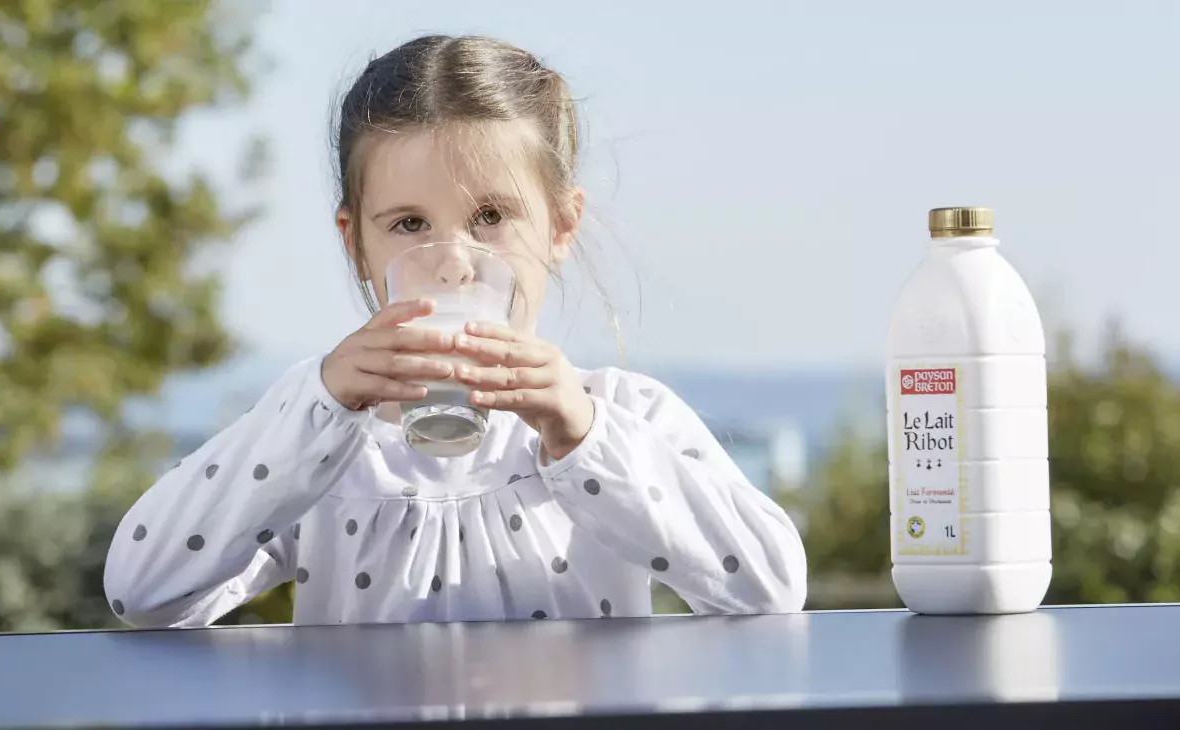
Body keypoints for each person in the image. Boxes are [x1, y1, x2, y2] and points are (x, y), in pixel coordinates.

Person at [103, 35, 808, 627]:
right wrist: (318, 407)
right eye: (409, 225)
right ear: (357, 244)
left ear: (561, 225)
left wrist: (584, 436)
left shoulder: (623, 418)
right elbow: (141, 591)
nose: (451, 264)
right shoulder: (324, 444)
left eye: (492, 218)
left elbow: (771, 591)